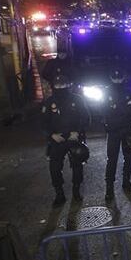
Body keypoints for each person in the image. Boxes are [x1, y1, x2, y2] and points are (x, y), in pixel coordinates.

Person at [42, 75, 89, 206]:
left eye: (63, 85)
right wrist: (51, 135)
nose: (60, 88)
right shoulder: (49, 101)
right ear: (54, 86)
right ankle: (59, 194)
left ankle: (76, 191)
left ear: (68, 85)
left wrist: (78, 132)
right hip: (57, 138)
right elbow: (43, 123)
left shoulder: (77, 99)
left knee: (77, 164)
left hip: (73, 137)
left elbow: (86, 118)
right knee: (55, 168)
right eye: (58, 85)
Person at [103, 69, 131, 202]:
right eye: (115, 78)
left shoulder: (129, 91)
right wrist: (125, 108)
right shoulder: (106, 92)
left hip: (126, 130)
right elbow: (103, 111)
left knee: (128, 157)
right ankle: (109, 189)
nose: (117, 80)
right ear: (111, 78)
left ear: (123, 78)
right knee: (112, 159)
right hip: (114, 131)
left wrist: (117, 109)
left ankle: (126, 182)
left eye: (119, 78)